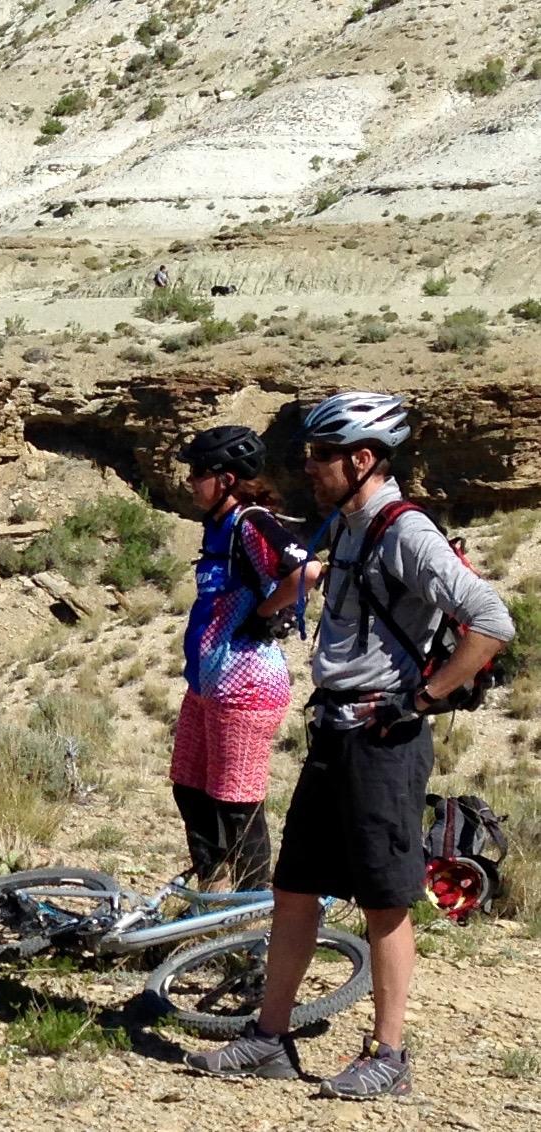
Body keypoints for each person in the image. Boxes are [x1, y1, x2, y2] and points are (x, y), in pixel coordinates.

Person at [187, 392, 512, 1100]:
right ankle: (269, 1040)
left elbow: (490, 619)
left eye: (321, 455)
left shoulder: (404, 530)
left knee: (384, 898)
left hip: (383, 738)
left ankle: (389, 1054)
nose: (308, 468)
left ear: (362, 459)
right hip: (336, 729)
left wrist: (421, 701)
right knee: (295, 888)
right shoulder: (352, 524)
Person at [170, 426, 308, 891]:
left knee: (237, 801)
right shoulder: (219, 526)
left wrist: (265, 613)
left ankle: (250, 911)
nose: (190, 481)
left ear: (226, 479)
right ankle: (213, 886)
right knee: (188, 785)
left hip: (246, 687)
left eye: (198, 472)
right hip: (208, 684)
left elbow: (306, 570)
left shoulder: (251, 521)